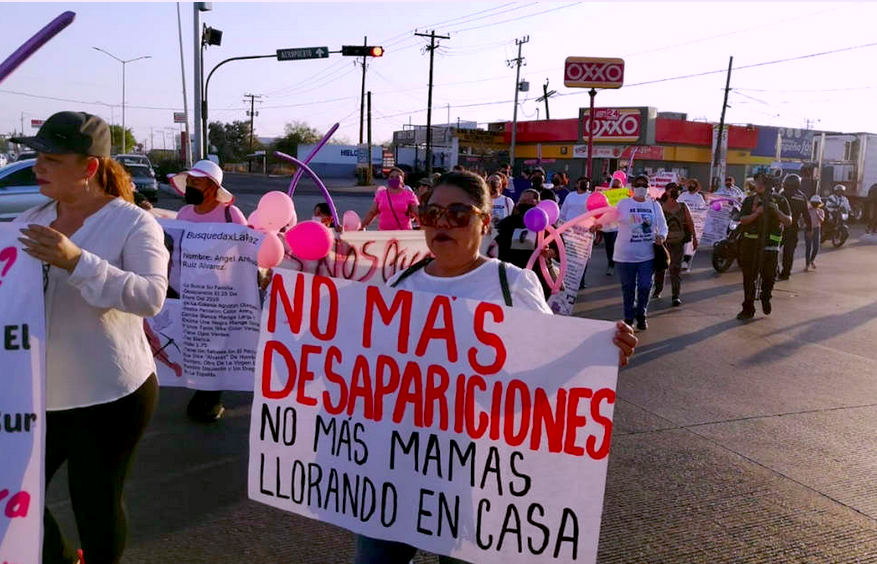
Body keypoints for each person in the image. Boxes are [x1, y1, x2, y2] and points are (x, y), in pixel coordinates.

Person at [354, 171, 638, 564]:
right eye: (431, 212)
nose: (442, 223)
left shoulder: (510, 285)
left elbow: (543, 367)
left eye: (458, 213)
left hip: (473, 473)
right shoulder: (400, 284)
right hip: (394, 466)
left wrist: (596, 359)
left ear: (485, 222)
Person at [13, 111, 167, 564]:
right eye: (37, 155)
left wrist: (78, 261)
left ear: (89, 168)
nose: (38, 165)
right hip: (40, 394)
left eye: (52, 158)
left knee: (95, 506)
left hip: (111, 395)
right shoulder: (30, 218)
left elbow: (151, 296)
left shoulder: (135, 224)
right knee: (14, 496)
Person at [171, 159, 248, 422]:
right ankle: (201, 392)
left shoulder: (231, 215)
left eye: (197, 181)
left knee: (215, 347)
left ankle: (212, 398)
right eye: (189, 181)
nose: (190, 185)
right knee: (195, 345)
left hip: (219, 295)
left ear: (213, 186)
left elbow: (247, 252)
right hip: (186, 291)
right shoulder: (183, 215)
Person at [611, 174, 668, 330]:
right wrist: (598, 225)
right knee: (628, 288)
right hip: (624, 256)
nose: (641, 187)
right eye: (638, 184)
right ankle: (629, 317)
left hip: (647, 255)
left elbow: (663, 226)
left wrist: (662, 236)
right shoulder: (623, 204)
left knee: (644, 286)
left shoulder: (655, 206)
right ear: (632, 187)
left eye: (644, 185)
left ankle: (641, 314)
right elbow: (610, 220)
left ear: (649, 188)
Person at [736, 173, 792, 320]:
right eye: (757, 182)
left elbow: (788, 221)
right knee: (749, 278)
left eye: (761, 182)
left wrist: (775, 210)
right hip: (751, 246)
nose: (758, 185)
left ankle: (766, 296)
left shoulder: (780, 200)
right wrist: (757, 213)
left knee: (769, 277)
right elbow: (742, 220)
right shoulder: (749, 201)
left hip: (770, 247)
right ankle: (748, 308)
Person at [495, 189, 559, 299]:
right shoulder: (507, 223)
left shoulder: (546, 226)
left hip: (537, 277)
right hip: (510, 275)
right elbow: (493, 244)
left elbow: (559, 250)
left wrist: (548, 252)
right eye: (523, 200)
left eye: (530, 201)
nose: (525, 203)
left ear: (538, 203)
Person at [653, 182, 697, 306]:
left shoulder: (683, 206)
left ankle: (675, 295)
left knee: (675, 269)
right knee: (660, 268)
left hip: (678, 242)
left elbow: (690, 222)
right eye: (673, 190)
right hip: (662, 242)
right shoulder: (659, 206)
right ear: (667, 191)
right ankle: (658, 290)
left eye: (677, 190)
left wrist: (695, 238)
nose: (676, 192)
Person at [777, 173, 811, 280]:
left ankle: (773, 270)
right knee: (789, 251)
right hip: (793, 227)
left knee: (774, 248)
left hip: (780, 226)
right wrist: (809, 229)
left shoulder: (783, 194)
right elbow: (806, 214)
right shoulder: (802, 196)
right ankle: (786, 273)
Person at [677, 178, 706, 271]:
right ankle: (678, 260)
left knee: (690, 244)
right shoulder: (683, 195)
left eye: (693, 184)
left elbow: (703, 209)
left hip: (695, 223)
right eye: (690, 184)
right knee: (681, 243)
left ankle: (686, 261)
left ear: (696, 187)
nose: (691, 186)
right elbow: (678, 205)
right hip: (683, 223)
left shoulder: (699, 197)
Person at [600, 176, 624, 276]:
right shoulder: (605, 196)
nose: (615, 189)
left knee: (618, 247)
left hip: (618, 227)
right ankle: (611, 264)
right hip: (607, 227)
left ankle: (615, 265)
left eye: (617, 187)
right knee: (609, 247)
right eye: (613, 186)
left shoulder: (624, 197)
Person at [804, 195, 825, 271]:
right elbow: (804, 218)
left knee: (816, 247)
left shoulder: (821, 211)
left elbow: (822, 220)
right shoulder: (808, 210)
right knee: (808, 247)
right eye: (814, 203)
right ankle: (807, 264)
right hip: (808, 229)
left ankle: (811, 260)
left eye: (816, 203)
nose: (815, 204)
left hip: (817, 229)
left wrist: (817, 213)